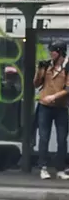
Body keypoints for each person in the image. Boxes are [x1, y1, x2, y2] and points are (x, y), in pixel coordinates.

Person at [35, 41, 69, 180]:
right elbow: (37, 84)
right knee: (44, 137)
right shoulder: (47, 66)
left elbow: (67, 88)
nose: (51, 53)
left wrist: (54, 96)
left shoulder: (67, 68)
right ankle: (43, 167)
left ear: (60, 52)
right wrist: (39, 71)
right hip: (45, 106)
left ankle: (60, 168)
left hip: (61, 107)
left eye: (53, 51)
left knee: (62, 139)